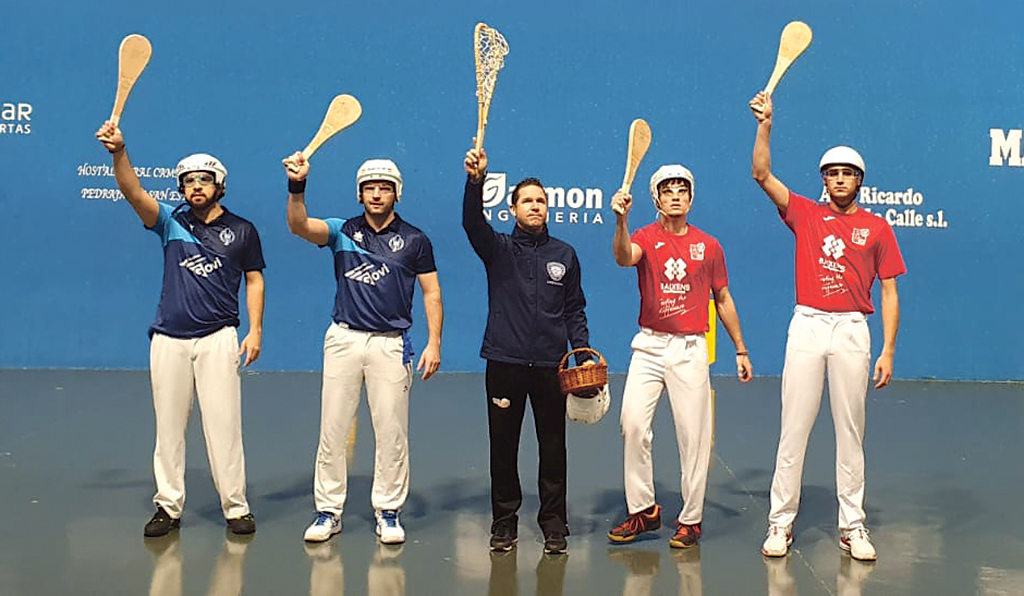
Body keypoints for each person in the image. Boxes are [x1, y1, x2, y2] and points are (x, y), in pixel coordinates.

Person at [749, 91, 906, 561]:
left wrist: (888, 351)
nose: (840, 180)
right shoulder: (804, 213)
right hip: (809, 326)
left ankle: (852, 526)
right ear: (824, 180)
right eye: (833, 173)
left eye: (848, 174)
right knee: (793, 427)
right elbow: (761, 174)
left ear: (859, 181)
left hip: (853, 330)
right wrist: (766, 125)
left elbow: (891, 291)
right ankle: (780, 524)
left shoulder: (877, 228)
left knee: (850, 431)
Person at [95, 121, 265, 537]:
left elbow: (255, 279)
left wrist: (255, 329)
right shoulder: (171, 223)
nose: (195, 187)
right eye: (188, 181)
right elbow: (133, 192)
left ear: (220, 185)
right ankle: (168, 508)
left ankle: (235, 507)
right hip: (169, 339)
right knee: (168, 429)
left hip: (218, 338)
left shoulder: (242, 230)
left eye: (204, 180)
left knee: (224, 427)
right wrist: (119, 152)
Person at [282, 152, 443, 545]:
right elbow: (299, 225)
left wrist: (434, 341)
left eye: (384, 188)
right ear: (359, 194)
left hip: (391, 345)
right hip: (343, 339)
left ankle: (388, 510)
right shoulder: (341, 231)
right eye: (369, 188)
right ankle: (328, 511)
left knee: (391, 432)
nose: (376, 194)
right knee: (332, 428)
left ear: (396, 194)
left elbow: (431, 290)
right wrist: (297, 186)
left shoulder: (416, 240)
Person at [606, 165, 753, 549]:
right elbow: (624, 257)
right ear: (655, 199)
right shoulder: (643, 236)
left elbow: (722, 298)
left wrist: (740, 347)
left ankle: (690, 519)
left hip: (690, 348)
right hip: (650, 346)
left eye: (682, 190)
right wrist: (620, 221)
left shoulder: (709, 245)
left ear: (691, 198)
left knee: (694, 436)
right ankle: (643, 511)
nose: (675, 195)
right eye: (667, 190)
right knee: (633, 423)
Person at [462, 146, 594, 556]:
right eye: (528, 201)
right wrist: (475, 182)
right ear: (514, 208)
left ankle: (554, 524)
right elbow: (470, 222)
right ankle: (504, 523)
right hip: (504, 363)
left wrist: (583, 351)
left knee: (553, 447)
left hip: (551, 369)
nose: (535, 206)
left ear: (547, 208)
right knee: (503, 448)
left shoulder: (564, 255)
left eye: (541, 201)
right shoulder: (498, 249)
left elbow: (574, 309)